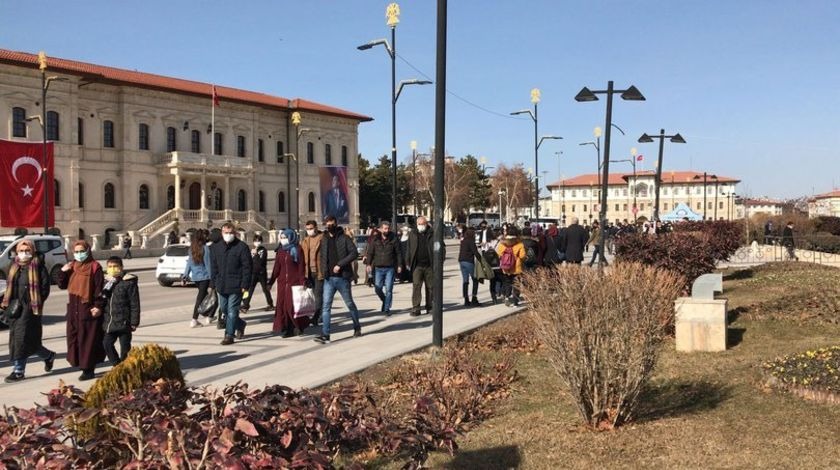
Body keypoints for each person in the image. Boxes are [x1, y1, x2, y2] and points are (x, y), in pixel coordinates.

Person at [2, 240, 53, 383]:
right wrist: (6, 305)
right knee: (29, 342)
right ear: (17, 252)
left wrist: (34, 304)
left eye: (27, 250)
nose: (24, 254)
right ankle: (48, 356)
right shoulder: (13, 266)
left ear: (33, 251)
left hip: (31, 309)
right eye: (21, 251)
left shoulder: (38, 267)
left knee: (21, 340)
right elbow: (9, 287)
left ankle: (18, 371)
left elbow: (44, 288)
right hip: (15, 309)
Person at [58, 240, 105, 381]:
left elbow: (99, 289)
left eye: (81, 251)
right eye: (76, 252)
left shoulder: (95, 267)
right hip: (74, 309)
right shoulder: (72, 266)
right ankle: (80, 364)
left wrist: (98, 305)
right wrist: (62, 271)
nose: (79, 254)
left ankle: (88, 369)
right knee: (75, 338)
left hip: (88, 309)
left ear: (88, 251)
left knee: (88, 340)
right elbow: (62, 285)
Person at [314, 215, 362, 344]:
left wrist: (340, 264)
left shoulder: (344, 238)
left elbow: (354, 253)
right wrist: (323, 272)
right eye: (327, 224)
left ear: (336, 224)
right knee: (326, 306)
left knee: (350, 304)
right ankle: (326, 334)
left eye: (331, 224)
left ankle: (357, 326)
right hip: (329, 278)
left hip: (342, 278)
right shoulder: (324, 239)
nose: (329, 226)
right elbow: (322, 257)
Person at [210, 223, 251, 345]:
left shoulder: (241, 247)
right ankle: (241, 324)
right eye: (226, 233)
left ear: (235, 233)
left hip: (236, 285)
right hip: (222, 285)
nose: (228, 235)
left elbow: (247, 267)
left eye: (230, 233)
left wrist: (245, 284)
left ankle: (229, 335)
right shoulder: (216, 247)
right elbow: (214, 266)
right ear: (222, 233)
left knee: (232, 310)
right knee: (224, 310)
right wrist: (213, 282)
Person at [101, 256, 140, 366]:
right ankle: (117, 365)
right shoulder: (106, 282)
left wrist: (134, 322)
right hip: (110, 322)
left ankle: (126, 367)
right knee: (107, 344)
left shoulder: (128, 282)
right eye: (110, 267)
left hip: (124, 322)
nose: (112, 269)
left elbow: (134, 303)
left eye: (115, 266)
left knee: (125, 349)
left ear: (121, 267)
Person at [268, 229, 308, 337]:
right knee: (282, 307)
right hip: (282, 284)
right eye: (282, 237)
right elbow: (277, 268)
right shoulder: (280, 251)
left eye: (285, 237)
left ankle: (297, 326)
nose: (283, 239)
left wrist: (302, 281)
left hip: (294, 283)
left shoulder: (297, 249)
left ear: (291, 237)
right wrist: (271, 281)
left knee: (292, 306)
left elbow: (301, 267)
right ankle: (286, 328)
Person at [364, 221, 403, 316]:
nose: (387, 230)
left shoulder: (393, 239)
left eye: (388, 228)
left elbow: (398, 253)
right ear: (381, 229)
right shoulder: (375, 239)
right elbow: (370, 253)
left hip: (390, 267)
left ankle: (386, 309)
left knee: (389, 289)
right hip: (378, 268)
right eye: (385, 228)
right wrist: (368, 264)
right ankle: (385, 300)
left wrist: (400, 265)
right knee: (377, 288)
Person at [407, 216, 441, 316]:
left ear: (426, 224)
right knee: (416, 286)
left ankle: (430, 307)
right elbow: (409, 248)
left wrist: (439, 262)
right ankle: (416, 307)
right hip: (417, 265)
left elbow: (441, 247)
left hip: (429, 265)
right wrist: (407, 261)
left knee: (430, 287)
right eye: (419, 224)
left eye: (423, 224)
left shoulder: (433, 233)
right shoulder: (413, 234)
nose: (421, 226)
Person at [183, 229, 213, 328]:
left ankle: (208, 316)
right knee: (203, 299)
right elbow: (208, 265)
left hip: (196, 278)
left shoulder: (192, 248)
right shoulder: (205, 248)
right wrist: (212, 279)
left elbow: (189, 264)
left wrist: (185, 275)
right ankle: (194, 320)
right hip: (204, 277)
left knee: (204, 298)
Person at [241, 234, 274, 313]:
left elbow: (262, 261)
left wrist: (257, 254)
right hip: (253, 273)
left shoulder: (263, 250)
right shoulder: (251, 250)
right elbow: (249, 261)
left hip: (261, 273)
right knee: (249, 289)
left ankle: (270, 304)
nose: (257, 243)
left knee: (265, 289)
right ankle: (245, 305)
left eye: (259, 241)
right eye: (255, 241)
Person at [301, 220, 325, 326]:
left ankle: (317, 316)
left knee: (318, 295)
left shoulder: (323, 238)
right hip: (308, 272)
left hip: (319, 271)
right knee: (312, 296)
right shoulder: (305, 241)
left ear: (316, 227)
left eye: (311, 228)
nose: (309, 231)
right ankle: (319, 314)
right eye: (307, 229)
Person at [496, 227, 526, 307]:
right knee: (516, 284)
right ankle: (515, 301)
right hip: (517, 268)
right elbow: (522, 255)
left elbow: (499, 254)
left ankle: (507, 297)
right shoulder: (519, 243)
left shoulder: (502, 243)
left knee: (507, 283)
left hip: (506, 268)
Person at [457, 224, 482, 307]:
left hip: (461, 261)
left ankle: (466, 299)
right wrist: (481, 261)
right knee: (475, 279)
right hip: (468, 261)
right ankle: (474, 298)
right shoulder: (471, 241)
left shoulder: (463, 240)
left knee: (465, 281)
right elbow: (475, 252)